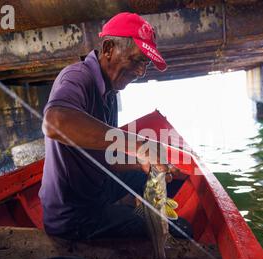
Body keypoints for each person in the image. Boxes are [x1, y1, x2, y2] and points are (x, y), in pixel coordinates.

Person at [40, 12, 186, 241]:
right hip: (74, 215)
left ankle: (130, 209)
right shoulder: (77, 77)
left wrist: (143, 164)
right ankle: (131, 217)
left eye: (144, 64)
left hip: (98, 190)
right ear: (108, 49)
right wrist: (138, 144)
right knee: (182, 231)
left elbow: (105, 156)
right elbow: (54, 122)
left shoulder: (109, 93)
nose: (140, 72)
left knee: (166, 178)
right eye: (137, 60)